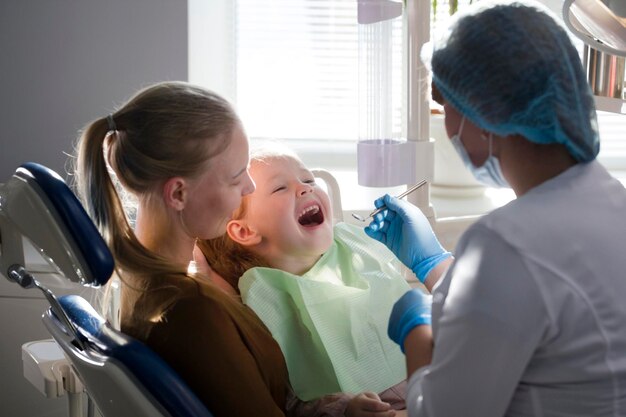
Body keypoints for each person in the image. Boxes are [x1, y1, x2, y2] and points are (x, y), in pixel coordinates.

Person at [73, 81, 398, 417]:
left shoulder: (148, 283)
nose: (249, 186)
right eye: (235, 177)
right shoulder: (190, 310)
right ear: (179, 194)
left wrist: (340, 411)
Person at [365, 1, 626, 416]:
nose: (448, 127)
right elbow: (536, 302)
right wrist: (435, 265)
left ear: (483, 115)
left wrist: (416, 331)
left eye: (446, 107)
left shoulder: (506, 244)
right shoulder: (612, 202)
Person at [199, 145, 410, 411]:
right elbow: (293, 400)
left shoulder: (354, 246)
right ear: (243, 231)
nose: (305, 187)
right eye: (280, 188)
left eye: (308, 179)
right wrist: (346, 410)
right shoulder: (263, 300)